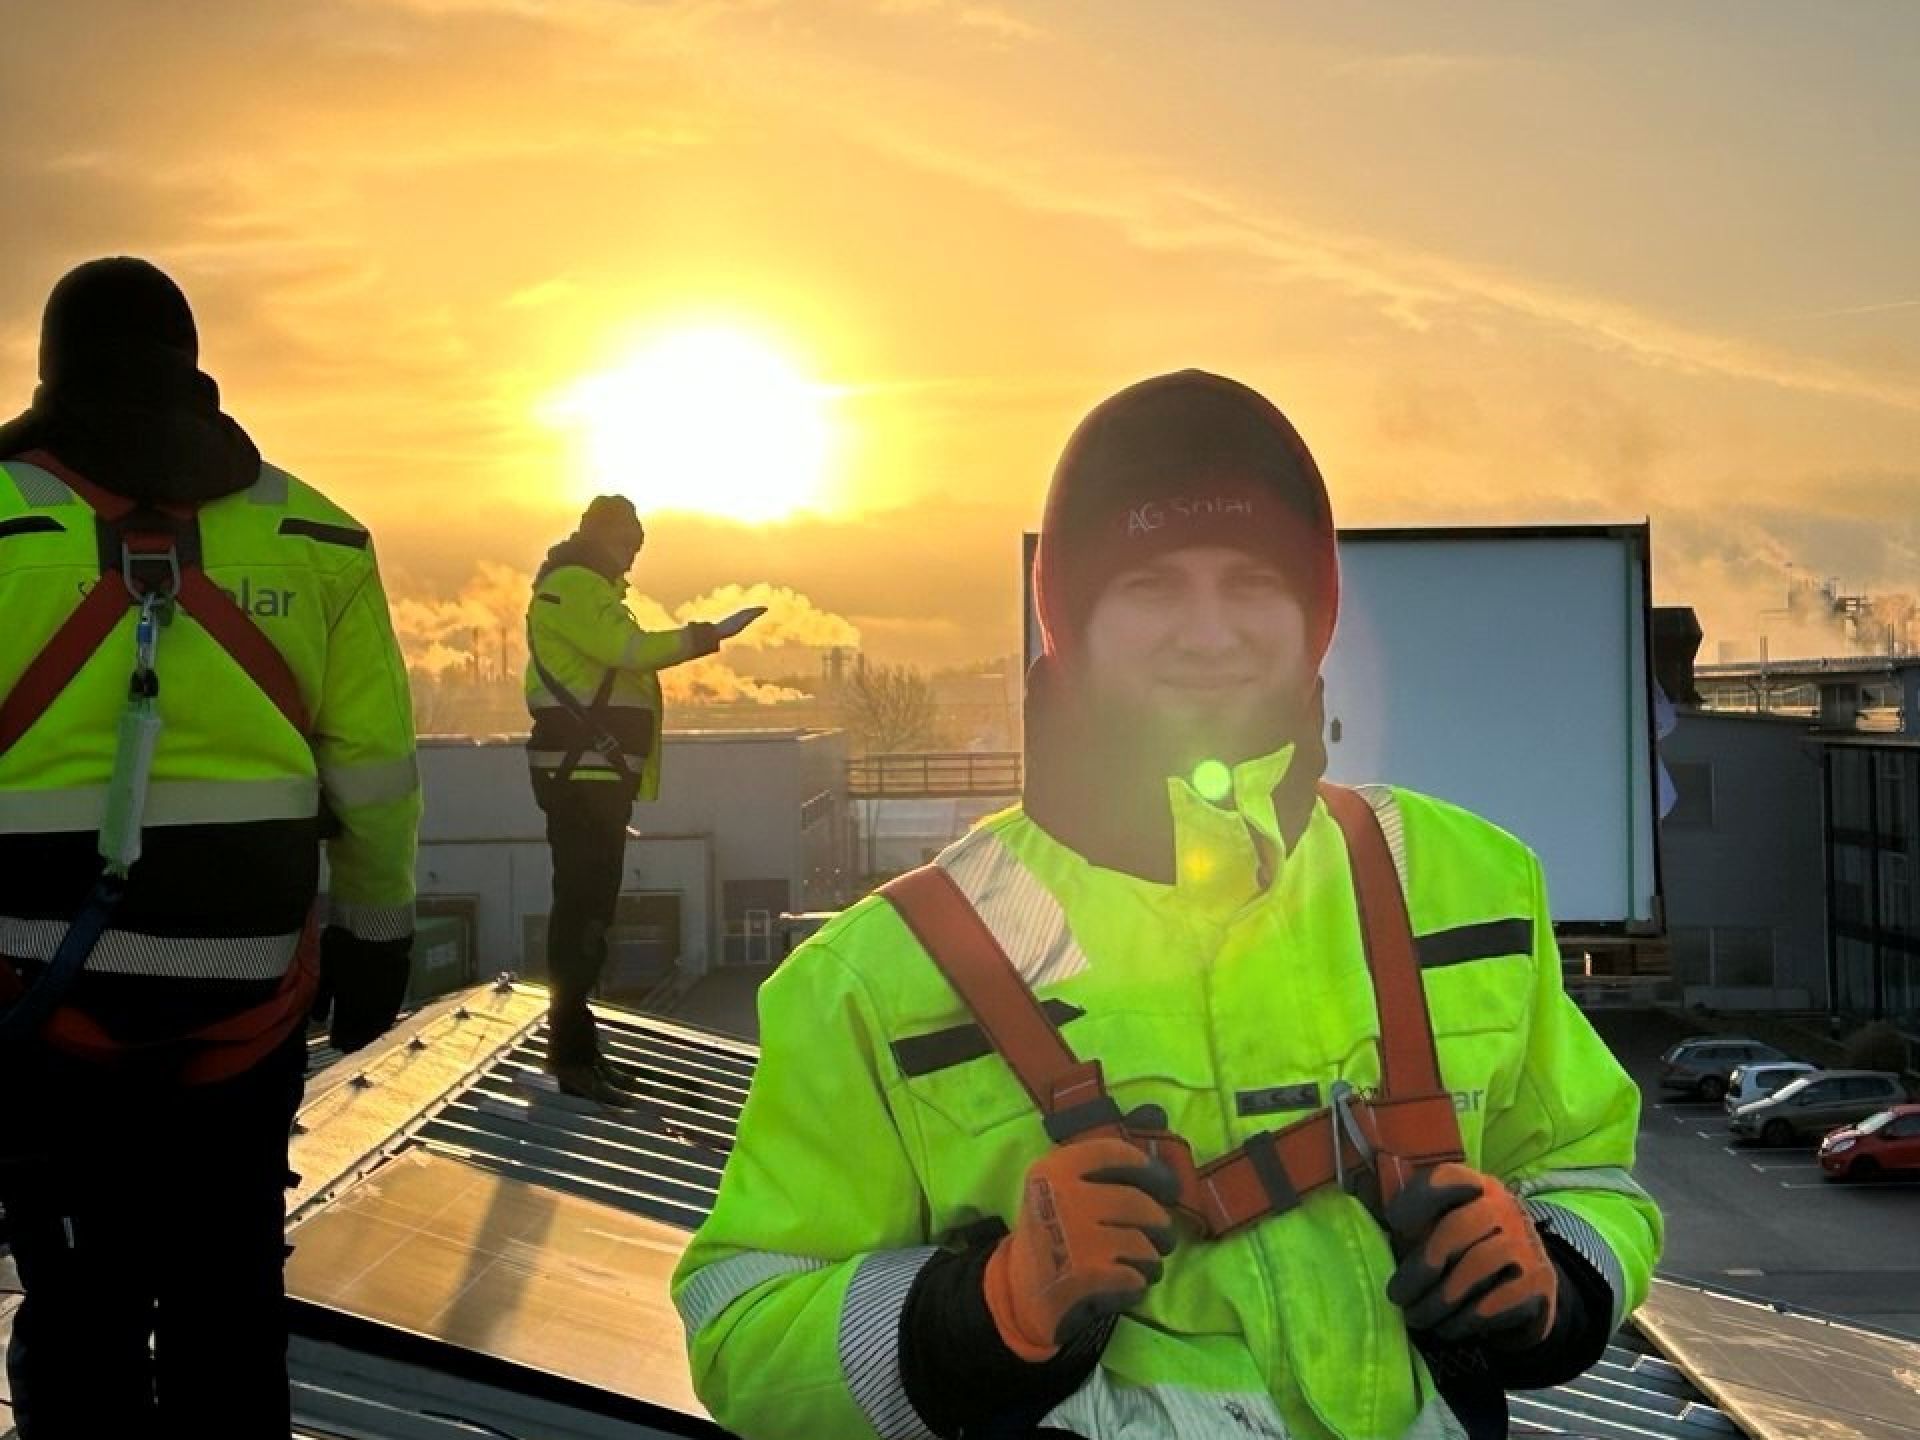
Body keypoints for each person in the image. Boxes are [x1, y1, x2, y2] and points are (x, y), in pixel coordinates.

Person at [673, 371, 1662, 1440]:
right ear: (1071, 626)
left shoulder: (1466, 884)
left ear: (1315, 616)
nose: (1208, 630)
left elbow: (1586, 1170)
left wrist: (1550, 1272)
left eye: (1251, 582)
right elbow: (742, 1337)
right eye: (1150, 586)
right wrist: (994, 1308)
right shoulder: (879, 974)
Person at [0, 257, 421, 1437]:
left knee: (80, 1309)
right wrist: (376, 939)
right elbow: (378, 781)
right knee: (228, 1305)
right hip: (248, 1003)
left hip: (43, 1004)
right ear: (193, 372)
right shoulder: (319, 538)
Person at [524, 496, 763, 1104]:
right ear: (604, 537)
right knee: (582, 917)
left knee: (590, 917)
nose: (635, 552)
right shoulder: (574, 589)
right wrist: (711, 635)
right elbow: (629, 653)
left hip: (596, 779)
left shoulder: (587, 589)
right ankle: (571, 1057)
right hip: (582, 781)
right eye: (630, 540)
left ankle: (582, 1052)